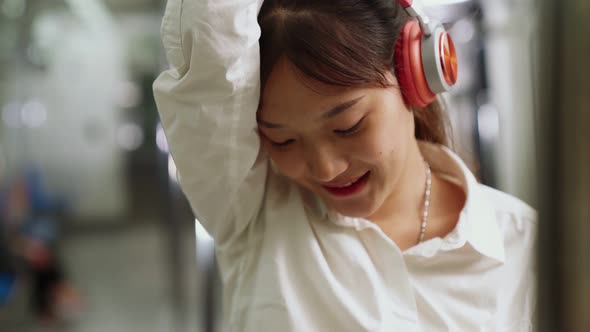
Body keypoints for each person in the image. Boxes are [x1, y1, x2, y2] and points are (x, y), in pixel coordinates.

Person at [153, 0, 536, 330]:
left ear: (415, 77)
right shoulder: (255, 212)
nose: (324, 169)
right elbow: (211, 37)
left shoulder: (526, 246)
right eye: (283, 140)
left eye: (347, 127)